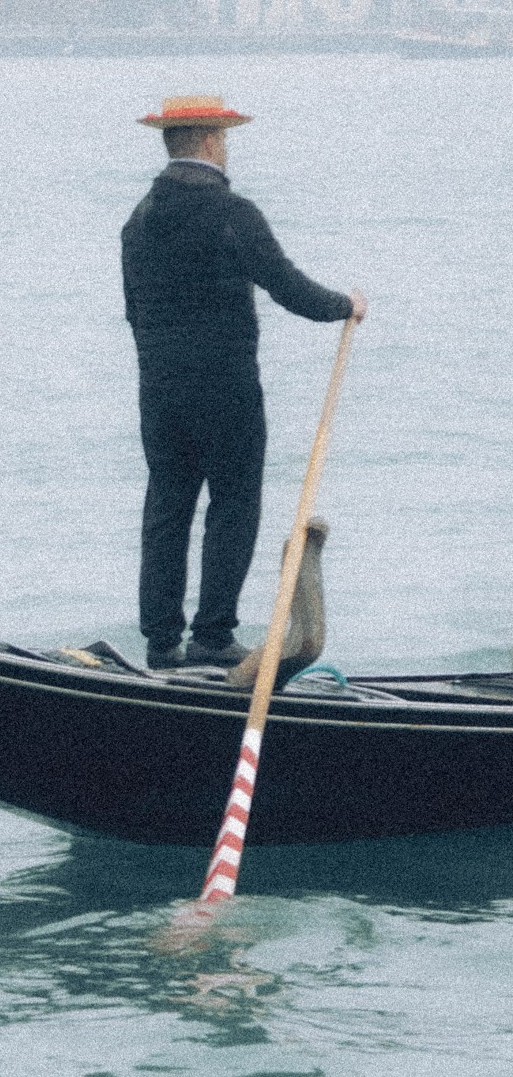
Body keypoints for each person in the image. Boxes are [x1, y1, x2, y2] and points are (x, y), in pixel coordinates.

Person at [121, 94, 365, 671]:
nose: (226, 150)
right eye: (225, 140)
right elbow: (289, 289)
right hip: (226, 386)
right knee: (233, 504)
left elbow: (135, 310)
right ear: (210, 142)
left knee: (167, 506)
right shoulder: (232, 214)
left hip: (159, 387)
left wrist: (161, 367)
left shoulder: (139, 219)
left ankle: (161, 645)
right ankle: (211, 636)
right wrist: (345, 306)